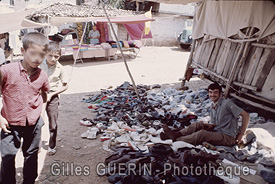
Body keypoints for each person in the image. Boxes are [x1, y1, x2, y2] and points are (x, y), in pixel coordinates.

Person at [0, 32, 50, 184]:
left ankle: (29, 181)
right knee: (8, 158)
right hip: (10, 124)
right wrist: (0, 118)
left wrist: (40, 112)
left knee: (31, 155)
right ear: (22, 51)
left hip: (33, 124)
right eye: (33, 53)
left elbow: (45, 95)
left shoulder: (42, 75)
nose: (37, 58)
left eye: (42, 55)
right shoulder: (6, 71)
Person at [161, 82, 250, 146]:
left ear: (220, 94)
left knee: (202, 134)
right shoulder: (212, 105)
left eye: (215, 92)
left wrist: (241, 134)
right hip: (217, 132)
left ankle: (175, 139)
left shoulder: (227, 104)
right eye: (210, 92)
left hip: (228, 137)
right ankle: (176, 134)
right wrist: (210, 126)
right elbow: (218, 123)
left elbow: (245, 115)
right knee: (198, 124)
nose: (213, 95)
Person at [40, 41, 68, 156]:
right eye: (50, 55)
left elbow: (65, 85)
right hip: (39, 95)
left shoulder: (60, 68)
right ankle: (35, 145)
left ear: (59, 56)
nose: (53, 58)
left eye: (56, 56)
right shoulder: (39, 64)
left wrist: (52, 95)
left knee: (53, 123)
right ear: (45, 54)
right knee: (37, 122)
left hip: (53, 95)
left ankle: (52, 146)